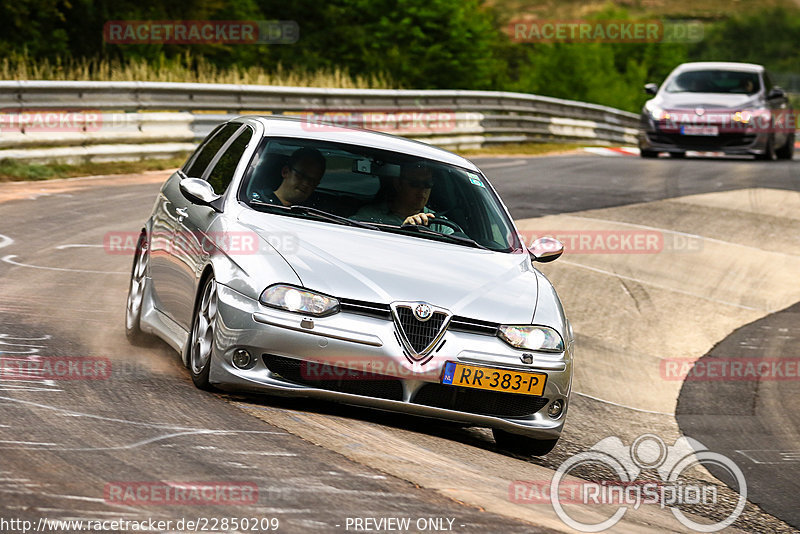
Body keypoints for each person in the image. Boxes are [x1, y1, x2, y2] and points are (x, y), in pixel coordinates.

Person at [352, 162, 454, 233]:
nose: (422, 190)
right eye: (415, 184)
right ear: (398, 184)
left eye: (428, 184)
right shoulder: (370, 215)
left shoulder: (439, 223)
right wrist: (404, 230)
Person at [251, 147, 326, 206]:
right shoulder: (257, 202)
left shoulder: (315, 215)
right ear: (285, 172)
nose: (306, 183)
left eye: (312, 181)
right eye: (301, 176)